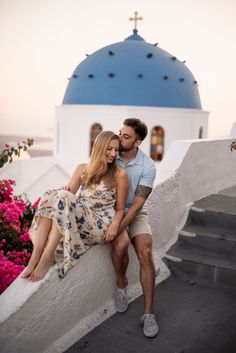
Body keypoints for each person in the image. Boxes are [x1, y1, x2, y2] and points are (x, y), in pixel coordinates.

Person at [22, 131, 128, 282]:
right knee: (51, 194)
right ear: (99, 147)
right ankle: (36, 255)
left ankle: (47, 256)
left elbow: (121, 209)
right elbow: (66, 194)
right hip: (80, 217)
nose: (113, 154)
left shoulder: (120, 174)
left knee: (62, 196)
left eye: (116, 150)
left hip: (100, 224)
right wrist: (63, 192)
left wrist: (115, 225)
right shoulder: (82, 169)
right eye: (109, 149)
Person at [111, 118, 159, 338]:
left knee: (146, 253)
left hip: (135, 212)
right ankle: (122, 284)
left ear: (138, 142)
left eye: (126, 136)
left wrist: (121, 225)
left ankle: (148, 314)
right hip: (110, 208)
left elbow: (139, 203)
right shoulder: (111, 154)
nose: (120, 138)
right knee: (120, 248)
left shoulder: (148, 166)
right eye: (121, 133)